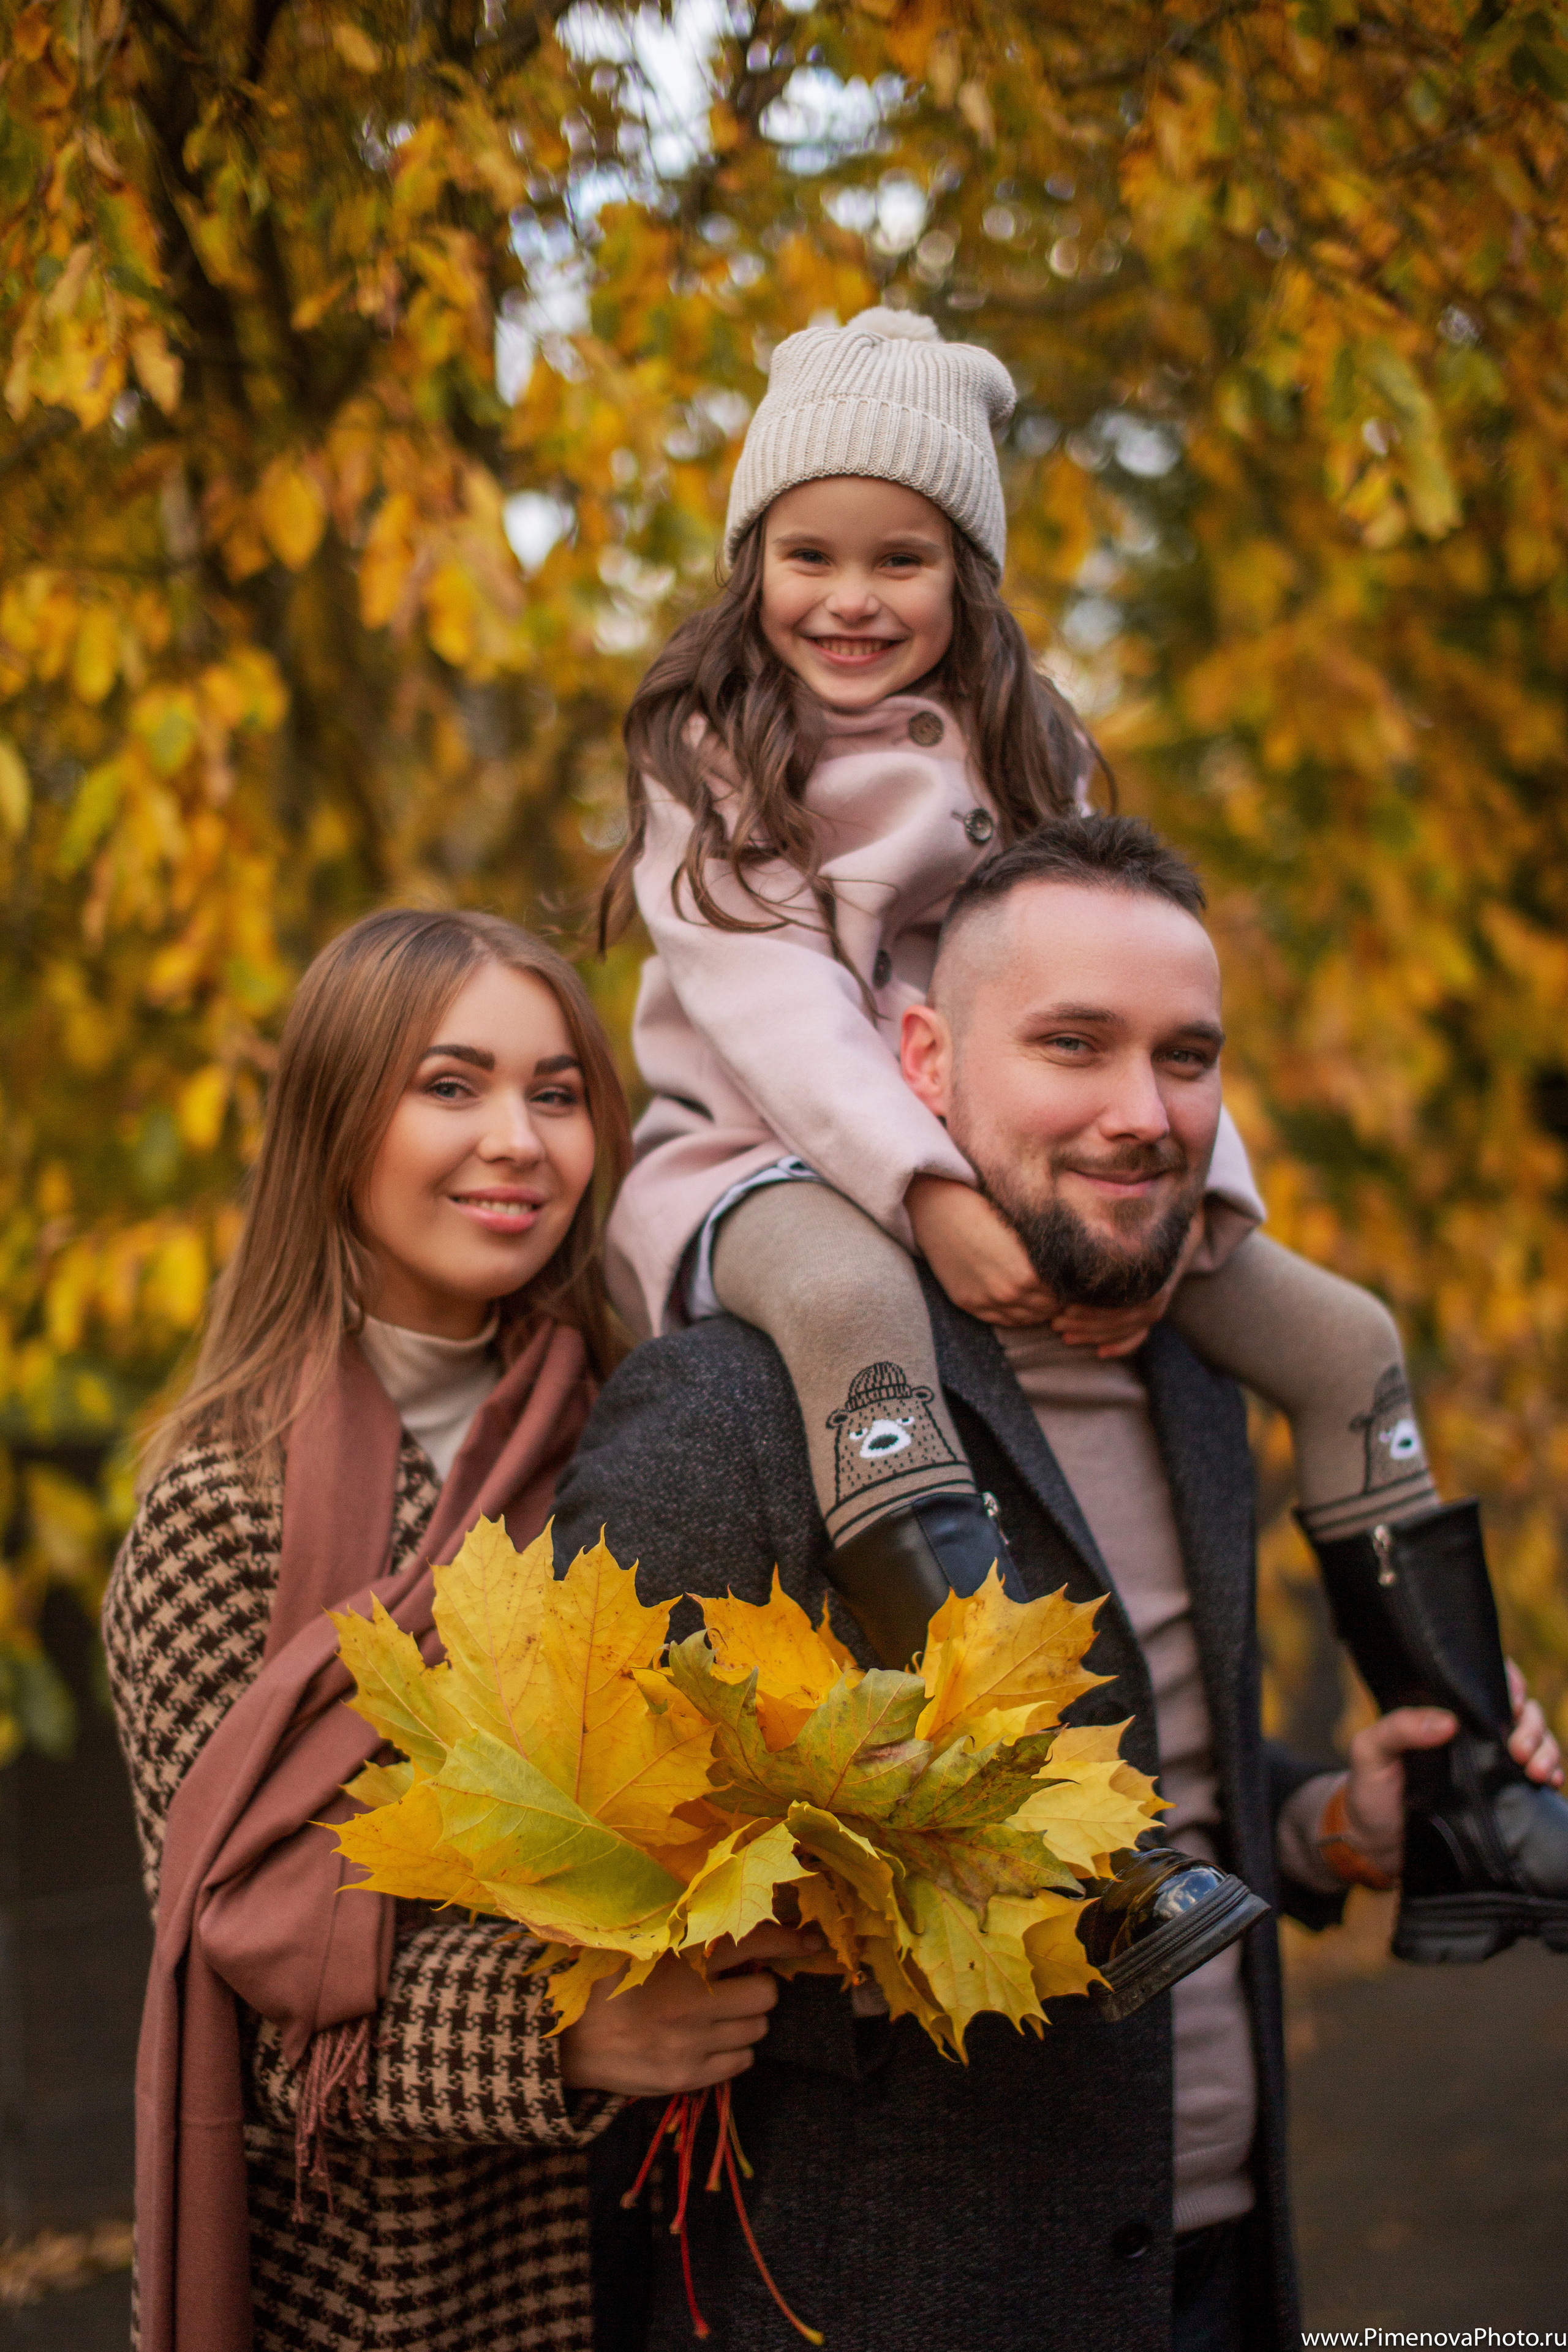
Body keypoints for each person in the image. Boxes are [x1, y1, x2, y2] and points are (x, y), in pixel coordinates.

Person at [553, 814, 1563, 2352]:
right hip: (894, 2299)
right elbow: (579, 1887)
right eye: (1072, 1046)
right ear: (922, 1059)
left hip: (1213, 2265)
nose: (1140, 1113)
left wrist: (1327, 1822)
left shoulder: (1197, 1392)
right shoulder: (733, 1405)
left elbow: (1168, 1772)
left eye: (1184, 1058)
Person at [600, 303, 1443, 1717]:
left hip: (1002, 1152)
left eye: (901, 561)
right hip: (763, 1166)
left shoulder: (1031, 741)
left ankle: (1466, 1771)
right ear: (754, 566)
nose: (850, 598)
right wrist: (926, 1195)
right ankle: (1019, 1743)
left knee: (1341, 1340)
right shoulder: (717, 754)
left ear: (963, 577)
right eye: (809, 556)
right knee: (855, 1301)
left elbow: (1130, 990)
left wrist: (1189, 1216)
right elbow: (779, 1008)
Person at [105, 910, 815, 2352]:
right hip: (406, 2284)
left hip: (706, 2244)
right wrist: (556, 2036)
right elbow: (226, 1995)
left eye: (556, 1093)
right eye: (452, 1085)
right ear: (334, 1123)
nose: (519, 1139)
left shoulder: (645, 1439)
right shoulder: (217, 1510)